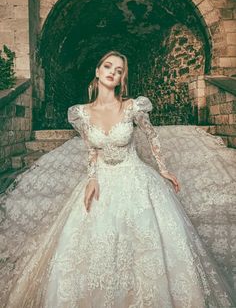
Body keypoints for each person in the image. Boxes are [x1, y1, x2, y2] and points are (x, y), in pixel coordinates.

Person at [1, 50, 236, 307]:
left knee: (146, 247)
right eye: (108, 66)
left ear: (122, 78)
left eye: (119, 70)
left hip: (135, 177)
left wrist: (163, 168)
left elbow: (151, 135)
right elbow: (92, 149)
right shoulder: (80, 113)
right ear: (98, 71)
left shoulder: (132, 106)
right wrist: (91, 178)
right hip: (101, 180)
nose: (113, 72)